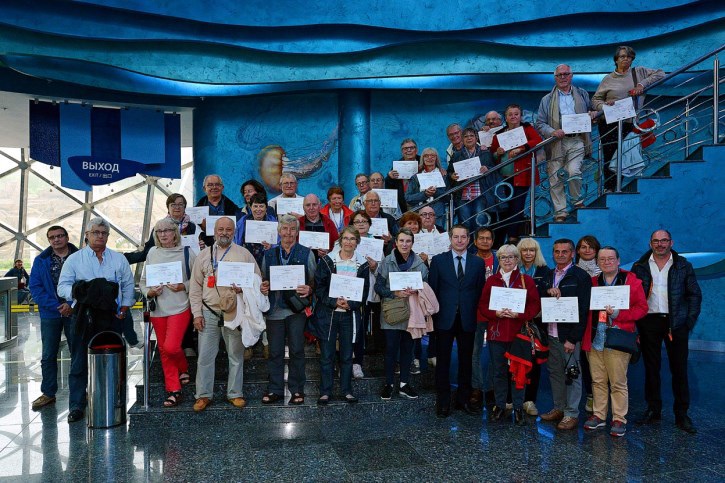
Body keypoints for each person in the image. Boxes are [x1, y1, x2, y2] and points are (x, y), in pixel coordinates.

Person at [57, 217, 135, 423]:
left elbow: (128, 284)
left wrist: (125, 306)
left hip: (112, 317)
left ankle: (116, 401)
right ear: (87, 235)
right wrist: (81, 291)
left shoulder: (118, 259)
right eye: (96, 233)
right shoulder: (75, 260)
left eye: (104, 233)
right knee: (79, 362)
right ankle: (76, 405)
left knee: (115, 360)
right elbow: (62, 286)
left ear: (108, 236)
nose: (100, 236)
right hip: (84, 316)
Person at [189, 217, 262, 412]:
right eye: (220, 229)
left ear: (234, 231)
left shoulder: (244, 254)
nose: (224, 232)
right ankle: (203, 395)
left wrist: (244, 289)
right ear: (214, 231)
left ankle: (235, 393)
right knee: (205, 356)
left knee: (236, 355)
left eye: (228, 229)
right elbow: (195, 288)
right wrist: (197, 314)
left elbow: (257, 281)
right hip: (208, 311)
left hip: (234, 311)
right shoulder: (203, 256)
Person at [631, 229, 701, 433]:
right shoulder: (640, 266)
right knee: (651, 368)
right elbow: (633, 295)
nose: (660, 244)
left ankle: (682, 414)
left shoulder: (683, 266)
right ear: (650, 243)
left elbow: (694, 295)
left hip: (676, 323)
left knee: (679, 369)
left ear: (671, 242)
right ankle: (653, 410)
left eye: (664, 241)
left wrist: (688, 321)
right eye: (656, 241)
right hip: (648, 322)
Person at [582, 246, 648, 437]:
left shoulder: (631, 281)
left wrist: (619, 314)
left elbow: (641, 309)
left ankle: (619, 418)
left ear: (618, 260)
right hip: (595, 337)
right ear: (597, 262)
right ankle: (599, 415)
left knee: (618, 381)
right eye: (602, 259)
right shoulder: (592, 282)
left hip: (618, 337)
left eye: (610, 259)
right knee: (597, 380)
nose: (606, 262)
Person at [478, 244, 541, 425]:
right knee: (498, 372)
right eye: (503, 257)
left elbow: (535, 305)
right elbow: (482, 305)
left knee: (518, 373)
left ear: (516, 259)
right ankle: (500, 405)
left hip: (517, 335)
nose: (507, 260)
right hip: (496, 334)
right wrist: (495, 313)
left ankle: (518, 406)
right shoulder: (491, 281)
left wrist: (519, 315)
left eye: (511, 257)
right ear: (499, 260)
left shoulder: (525, 280)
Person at [428, 225, 485, 417]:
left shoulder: (478, 263)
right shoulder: (438, 261)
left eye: (463, 237)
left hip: (468, 319)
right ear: (450, 239)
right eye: (456, 237)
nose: (460, 240)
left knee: (466, 362)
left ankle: (463, 400)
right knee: (443, 362)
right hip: (444, 319)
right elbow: (433, 292)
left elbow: (479, 292)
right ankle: (443, 402)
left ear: (469, 240)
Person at [260, 214, 317, 405]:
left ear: (298, 231)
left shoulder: (306, 253)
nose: (288, 233)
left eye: (292, 229)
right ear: (278, 231)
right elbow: (262, 279)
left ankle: (297, 389)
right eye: (284, 229)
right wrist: (263, 286)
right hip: (275, 310)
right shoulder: (268, 254)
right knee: (275, 351)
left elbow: (315, 281)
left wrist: (310, 289)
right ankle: (275, 389)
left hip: (296, 311)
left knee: (297, 350)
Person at [140, 218, 197, 408]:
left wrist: (183, 286)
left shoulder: (187, 253)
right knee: (164, 349)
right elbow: (143, 281)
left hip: (181, 306)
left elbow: (199, 281)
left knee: (171, 346)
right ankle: (174, 389)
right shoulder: (152, 253)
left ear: (175, 232)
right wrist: (149, 292)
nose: (163, 234)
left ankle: (182, 367)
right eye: (159, 231)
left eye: (167, 230)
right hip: (159, 308)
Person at [591, 46, 665, 192]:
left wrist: (641, 85)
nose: (625, 59)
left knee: (624, 154)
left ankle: (617, 185)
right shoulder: (608, 79)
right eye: (622, 56)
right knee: (610, 155)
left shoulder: (639, 72)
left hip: (629, 122)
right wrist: (604, 105)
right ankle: (609, 188)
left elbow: (661, 74)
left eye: (629, 56)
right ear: (616, 59)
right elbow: (595, 100)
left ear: (632, 59)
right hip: (609, 122)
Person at [311, 226, 371, 404]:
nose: (348, 242)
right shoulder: (328, 260)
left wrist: (350, 305)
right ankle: (325, 391)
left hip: (349, 315)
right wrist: (334, 302)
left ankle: (346, 390)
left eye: (352, 239)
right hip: (329, 314)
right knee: (327, 355)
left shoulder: (363, 264)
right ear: (340, 240)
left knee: (346, 355)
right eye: (345, 238)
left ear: (357, 242)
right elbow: (319, 287)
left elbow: (364, 290)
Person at [539, 238, 592, 431]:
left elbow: (584, 309)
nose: (560, 255)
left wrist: (573, 338)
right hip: (551, 333)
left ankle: (571, 414)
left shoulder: (580, 276)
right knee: (555, 373)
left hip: (569, 337)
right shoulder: (548, 275)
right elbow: (540, 301)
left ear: (572, 253)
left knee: (572, 375)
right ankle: (559, 408)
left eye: (564, 251)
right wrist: (547, 291)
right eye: (556, 251)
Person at [536, 64, 596, 222]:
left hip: (577, 139)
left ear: (571, 76)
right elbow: (540, 123)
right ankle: (560, 212)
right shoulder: (547, 99)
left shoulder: (582, 93)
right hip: (556, 142)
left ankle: (577, 201)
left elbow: (591, 112)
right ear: (555, 78)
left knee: (574, 171)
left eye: (566, 74)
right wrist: (552, 132)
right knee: (555, 176)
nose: (563, 77)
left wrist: (592, 114)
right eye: (559, 75)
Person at [28, 226, 79, 411]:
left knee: (77, 351)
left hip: (75, 311)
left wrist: (71, 304)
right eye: (52, 238)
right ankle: (48, 393)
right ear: (49, 240)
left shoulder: (80, 257)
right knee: (49, 354)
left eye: (59, 236)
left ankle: (81, 390)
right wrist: (57, 306)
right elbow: (35, 287)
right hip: (51, 313)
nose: (56, 240)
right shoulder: (41, 260)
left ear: (67, 237)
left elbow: (87, 282)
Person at [375, 228, 427, 401]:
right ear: (395, 242)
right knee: (390, 349)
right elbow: (378, 287)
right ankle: (389, 384)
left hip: (412, 312)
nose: (405, 244)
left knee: (407, 349)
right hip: (392, 311)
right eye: (401, 241)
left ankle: (404, 383)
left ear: (413, 243)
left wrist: (418, 289)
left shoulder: (419, 263)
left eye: (408, 241)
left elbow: (426, 287)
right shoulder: (387, 262)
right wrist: (394, 293)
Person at [490, 104, 544, 244]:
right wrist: (498, 153)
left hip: (522, 176)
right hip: (503, 178)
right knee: (503, 209)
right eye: (510, 114)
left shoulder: (527, 129)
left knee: (517, 207)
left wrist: (521, 149)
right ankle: (500, 240)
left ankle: (513, 238)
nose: (513, 117)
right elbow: (492, 154)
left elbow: (537, 141)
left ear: (520, 116)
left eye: (516, 114)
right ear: (505, 118)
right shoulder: (499, 134)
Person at [517, 237, 551, 416]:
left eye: (532, 250)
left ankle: (530, 401)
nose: (528, 253)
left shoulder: (545, 271)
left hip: (537, 322)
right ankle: (513, 399)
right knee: (514, 360)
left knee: (535, 362)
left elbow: (548, 295)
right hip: (515, 321)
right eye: (524, 250)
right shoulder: (512, 269)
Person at [448, 127, 503, 233]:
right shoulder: (457, 155)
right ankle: (467, 248)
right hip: (462, 195)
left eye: (471, 136)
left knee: (480, 221)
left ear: (476, 138)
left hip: (480, 194)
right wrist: (452, 176)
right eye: (466, 136)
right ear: (462, 139)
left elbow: (495, 169)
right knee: (465, 223)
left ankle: (479, 248)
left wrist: (487, 168)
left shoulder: (485, 153)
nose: (469, 138)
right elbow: (449, 172)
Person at [349, 210, 383, 372]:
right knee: (355, 327)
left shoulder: (377, 243)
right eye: (357, 221)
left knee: (365, 327)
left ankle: (360, 362)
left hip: (371, 291)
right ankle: (353, 361)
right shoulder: (346, 242)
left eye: (364, 221)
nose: (361, 224)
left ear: (370, 225)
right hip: (352, 291)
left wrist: (375, 267)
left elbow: (384, 271)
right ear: (352, 225)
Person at [125, 193, 198, 265]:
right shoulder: (160, 227)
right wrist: (122, 258)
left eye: (180, 204)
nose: (177, 207)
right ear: (168, 208)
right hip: (164, 264)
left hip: (186, 264)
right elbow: (147, 252)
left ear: (184, 207)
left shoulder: (192, 226)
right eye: (173, 205)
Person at [470, 227, 498, 411]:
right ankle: (477, 387)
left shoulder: (501, 258)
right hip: (476, 311)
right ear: (475, 241)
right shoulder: (470, 259)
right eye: (481, 238)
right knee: (476, 352)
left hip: (498, 312)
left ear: (493, 241)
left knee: (497, 353)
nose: (485, 241)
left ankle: (493, 388)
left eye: (488, 238)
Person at [575, 234, 602, 412]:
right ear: (577, 251)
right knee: (583, 361)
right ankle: (590, 396)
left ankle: (602, 396)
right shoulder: (571, 271)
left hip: (600, 321)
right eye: (583, 247)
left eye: (591, 247)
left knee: (600, 360)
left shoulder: (606, 272)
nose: (587, 250)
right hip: (579, 321)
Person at [405, 147, 449, 229]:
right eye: (426, 156)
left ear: (436, 158)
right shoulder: (415, 177)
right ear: (422, 158)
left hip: (437, 214)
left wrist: (435, 192)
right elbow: (408, 198)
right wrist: (425, 194)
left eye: (432, 155)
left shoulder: (443, 175)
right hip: (418, 214)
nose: (429, 158)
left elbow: (448, 196)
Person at [196, 174, 240, 247]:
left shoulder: (234, 209)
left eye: (217, 184)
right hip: (205, 248)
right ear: (204, 189)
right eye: (210, 185)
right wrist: (201, 227)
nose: (214, 187)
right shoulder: (197, 210)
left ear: (222, 188)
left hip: (228, 246)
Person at [234, 193, 277, 267]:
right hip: (246, 258)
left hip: (266, 259)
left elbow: (279, 243)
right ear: (250, 207)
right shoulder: (242, 221)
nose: (258, 209)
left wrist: (271, 246)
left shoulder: (273, 222)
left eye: (261, 206)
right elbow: (236, 241)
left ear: (266, 208)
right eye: (255, 206)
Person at [298, 193, 339, 257]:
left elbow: (337, 245)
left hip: (325, 262)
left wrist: (328, 252)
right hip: (303, 262)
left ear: (320, 206)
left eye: (314, 204)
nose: (311, 208)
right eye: (308, 205)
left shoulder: (329, 223)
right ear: (303, 207)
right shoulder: (297, 223)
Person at [386, 138, 420, 212]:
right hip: (404, 203)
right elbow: (390, 188)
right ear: (402, 152)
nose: (409, 150)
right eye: (405, 148)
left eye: (412, 148)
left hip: (421, 202)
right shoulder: (396, 166)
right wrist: (389, 178)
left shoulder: (423, 162)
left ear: (416, 150)